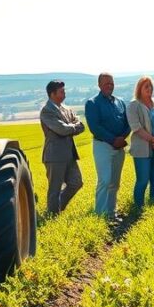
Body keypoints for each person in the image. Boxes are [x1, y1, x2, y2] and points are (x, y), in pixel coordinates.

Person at [84, 73, 129, 218]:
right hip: (103, 145)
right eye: (106, 83)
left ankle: (111, 212)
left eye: (111, 83)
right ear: (99, 85)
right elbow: (95, 126)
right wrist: (113, 140)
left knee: (115, 181)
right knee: (104, 180)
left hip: (119, 146)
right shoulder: (92, 103)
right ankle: (100, 215)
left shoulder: (121, 101)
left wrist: (122, 138)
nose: (109, 85)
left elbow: (128, 123)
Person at [40, 80, 86, 214]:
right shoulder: (46, 111)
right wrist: (73, 127)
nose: (64, 93)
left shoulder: (66, 109)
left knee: (76, 183)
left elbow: (81, 125)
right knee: (54, 189)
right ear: (52, 94)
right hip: (54, 156)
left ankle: (58, 207)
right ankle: (53, 216)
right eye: (62, 91)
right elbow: (61, 129)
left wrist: (71, 127)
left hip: (69, 155)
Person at [126, 76, 154, 209]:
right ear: (139, 89)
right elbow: (136, 127)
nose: (149, 89)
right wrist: (153, 139)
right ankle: (138, 209)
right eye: (146, 86)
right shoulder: (133, 105)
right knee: (143, 180)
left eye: (151, 86)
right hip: (142, 149)